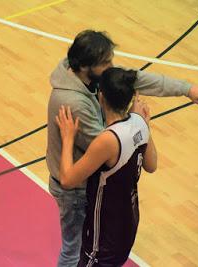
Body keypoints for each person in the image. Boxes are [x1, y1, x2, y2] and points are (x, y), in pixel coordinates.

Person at [46, 29, 198, 267]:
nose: (112, 66)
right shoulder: (74, 103)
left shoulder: (98, 77)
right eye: (106, 62)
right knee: (74, 251)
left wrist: (186, 89)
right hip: (75, 189)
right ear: (87, 66)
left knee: (88, 250)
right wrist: (138, 125)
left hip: (93, 187)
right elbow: (109, 151)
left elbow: (140, 79)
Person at [56, 67, 156, 266]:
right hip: (128, 225)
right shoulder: (140, 123)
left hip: (103, 237)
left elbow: (67, 179)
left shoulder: (108, 140)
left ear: (101, 97)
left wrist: (68, 138)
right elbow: (152, 165)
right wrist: (143, 123)